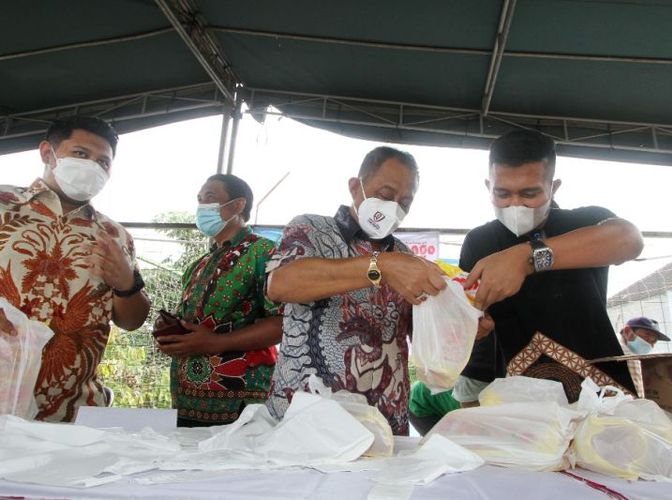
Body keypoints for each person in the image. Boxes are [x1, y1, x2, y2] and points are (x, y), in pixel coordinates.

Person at [265, 146, 448, 435]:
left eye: (405, 203)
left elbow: (420, 333)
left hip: (384, 426)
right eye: (386, 195)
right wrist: (381, 267)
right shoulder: (311, 229)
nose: (394, 208)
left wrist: (459, 323)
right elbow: (281, 284)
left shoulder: (405, 256)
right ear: (354, 186)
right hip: (308, 424)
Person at [455, 129, 643, 405]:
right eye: (502, 193)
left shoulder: (586, 223)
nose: (515, 204)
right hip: (517, 398)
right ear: (488, 187)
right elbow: (468, 317)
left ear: (553, 188)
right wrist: (472, 326)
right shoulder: (480, 241)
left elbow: (629, 240)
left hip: (599, 394)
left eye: (530, 193)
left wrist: (527, 258)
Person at [0, 116, 150, 422]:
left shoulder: (115, 236)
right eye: (81, 154)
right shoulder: (4, 206)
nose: (92, 167)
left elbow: (133, 320)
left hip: (73, 411)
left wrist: (127, 284)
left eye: (103, 162)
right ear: (47, 153)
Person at [156, 174, 282, 427]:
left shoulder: (264, 252)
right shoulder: (199, 265)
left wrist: (217, 342)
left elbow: (282, 323)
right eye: (200, 200)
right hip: (186, 399)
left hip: (239, 402)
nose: (202, 206)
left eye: (210, 198)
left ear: (238, 205)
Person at [619, 316, 671, 397]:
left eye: (653, 341)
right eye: (647, 335)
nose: (649, 344)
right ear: (627, 331)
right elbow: (637, 399)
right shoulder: (627, 355)